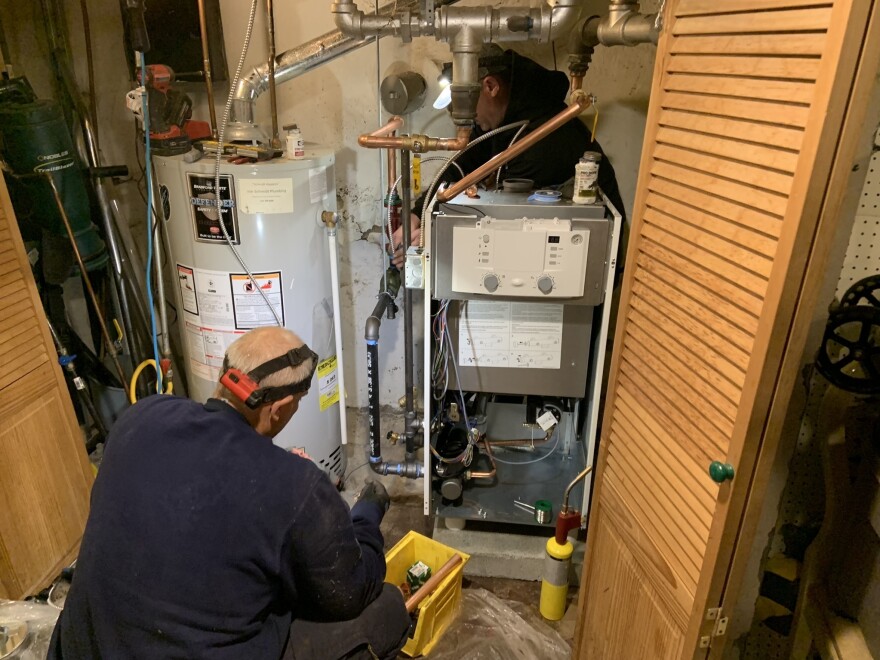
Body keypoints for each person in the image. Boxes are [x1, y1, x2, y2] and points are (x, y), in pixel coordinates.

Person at [49, 326, 411, 660]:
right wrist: (365, 518)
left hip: (81, 647)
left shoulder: (142, 415)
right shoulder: (295, 484)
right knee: (386, 611)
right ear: (281, 408)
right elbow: (348, 593)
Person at [391, 43, 625, 267]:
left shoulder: (542, 138)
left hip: (583, 268)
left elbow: (507, 222)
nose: (461, 116)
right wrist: (418, 213)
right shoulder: (505, 120)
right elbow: (463, 165)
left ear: (490, 86)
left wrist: (430, 237)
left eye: (466, 102)